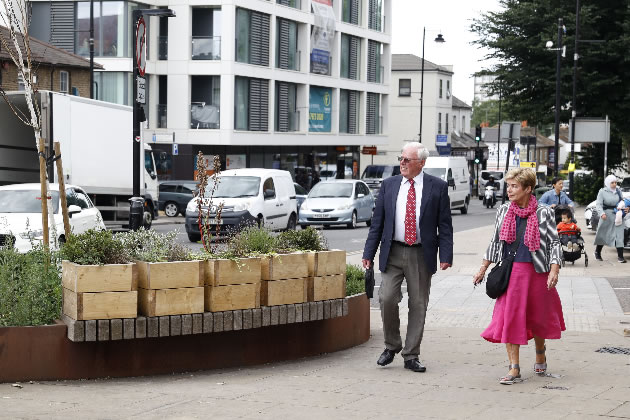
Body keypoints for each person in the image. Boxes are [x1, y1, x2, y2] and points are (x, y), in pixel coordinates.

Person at [362, 142, 453, 373]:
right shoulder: (389, 185)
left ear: (421, 163)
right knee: (387, 298)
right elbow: (377, 223)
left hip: (421, 253)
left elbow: (445, 225)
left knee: (418, 304)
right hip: (392, 251)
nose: (401, 163)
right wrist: (368, 254)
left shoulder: (438, 187)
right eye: (401, 158)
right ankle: (391, 345)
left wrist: (446, 254)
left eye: (407, 160)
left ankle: (411, 355)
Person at [472, 167, 565, 385]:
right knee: (510, 318)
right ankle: (514, 368)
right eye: (508, 186)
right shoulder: (504, 210)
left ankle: (540, 350)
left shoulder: (544, 212)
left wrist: (554, 269)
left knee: (537, 316)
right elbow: (496, 242)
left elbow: (553, 242)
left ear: (528, 188)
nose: (509, 190)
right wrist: (483, 268)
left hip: (536, 272)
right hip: (511, 273)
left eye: (514, 186)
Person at [594, 175, 629, 263]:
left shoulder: (618, 191)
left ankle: (620, 257)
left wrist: (627, 208)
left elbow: (622, 202)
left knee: (619, 235)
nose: (614, 184)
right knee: (603, 234)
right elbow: (598, 204)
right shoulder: (602, 191)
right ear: (608, 183)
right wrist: (601, 214)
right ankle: (597, 252)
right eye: (612, 183)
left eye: (615, 182)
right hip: (606, 215)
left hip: (618, 215)